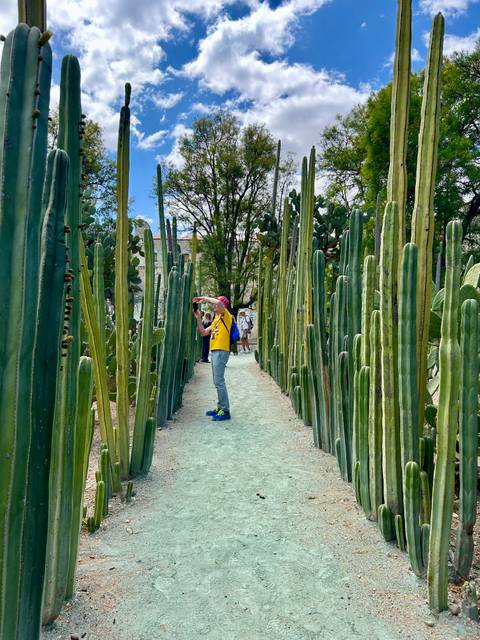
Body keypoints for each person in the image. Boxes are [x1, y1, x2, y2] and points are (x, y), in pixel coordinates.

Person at [193, 295, 232, 421]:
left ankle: (225, 411)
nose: (214, 306)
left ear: (222, 306)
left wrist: (204, 298)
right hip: (215, 351)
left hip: (221, 350)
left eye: (217, 304)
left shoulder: (226, 316)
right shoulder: (216, 319)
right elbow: (203, 332)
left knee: (219, 381)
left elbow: (218, 303)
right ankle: (220, 407)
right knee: (217, 381)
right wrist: (199, 319)